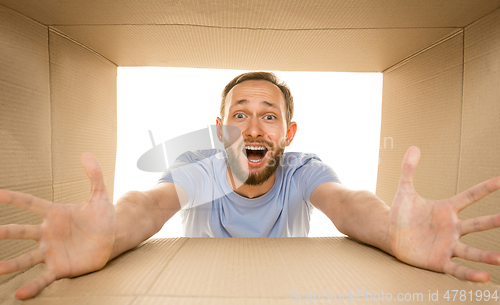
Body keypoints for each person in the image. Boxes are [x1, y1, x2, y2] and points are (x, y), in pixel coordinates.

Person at [1, 72, 499, 300]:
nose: (253, 129)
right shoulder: (199, 165)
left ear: (289, 132)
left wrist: (393, 231)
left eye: (268, 116)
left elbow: (348, 205)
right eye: (240, 115)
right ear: (221, 129)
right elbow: (150, 205)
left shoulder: (304, 169)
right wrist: (108, 235)